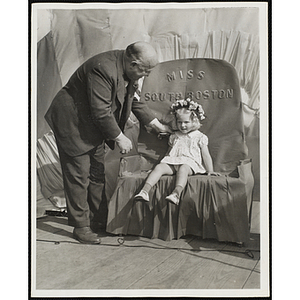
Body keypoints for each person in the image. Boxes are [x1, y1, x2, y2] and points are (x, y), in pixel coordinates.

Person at [45, 41, 171, 244]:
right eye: (145, 70)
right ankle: (81, 226)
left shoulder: (127, 70)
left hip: (91, 126)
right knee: (79, 175)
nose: (147, 75)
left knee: (97, 172)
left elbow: (133, 100)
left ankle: (98, 220)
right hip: (72, 123)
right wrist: (119, 137)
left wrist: (157, 125)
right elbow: (101, 111)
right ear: (133, 63)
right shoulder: (102, 68)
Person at [134, 98, 221, 205]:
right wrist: (160, 164)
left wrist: (210, 170)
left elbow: (206, 155)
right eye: (180, 122)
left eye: (186, 122)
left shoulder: (199, 137)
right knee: (159, 168)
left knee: (183, 169)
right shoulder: (174, 136)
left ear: (194, 121)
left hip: (189, 164)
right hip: (173, 162)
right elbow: (169, 153)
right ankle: (145, 191)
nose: (183, 125)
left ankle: (176, 193)